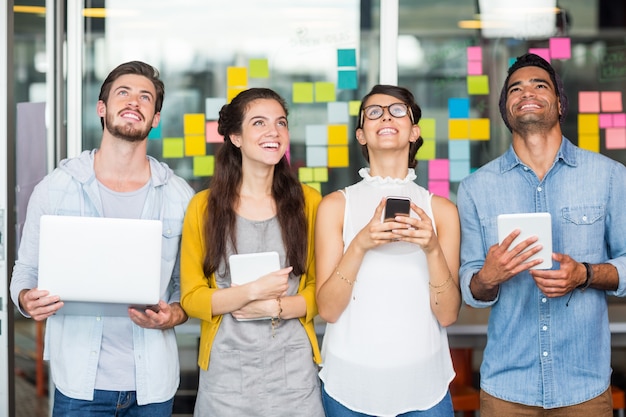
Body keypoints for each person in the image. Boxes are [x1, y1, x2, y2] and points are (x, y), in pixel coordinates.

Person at [10, 61, 194, 416]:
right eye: (123, 93)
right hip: (79, 384)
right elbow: (26, 270)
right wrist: (25, 299)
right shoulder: (56, 188)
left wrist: (174, 314)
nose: (133, 102)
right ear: (102, 108)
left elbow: (186, 288)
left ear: (155, 118)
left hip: (152, 387)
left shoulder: (178, 195)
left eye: (145, 97)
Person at [457, 53, 626, 416]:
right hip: (506, 390)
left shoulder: (610, 176)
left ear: (560, 103)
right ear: (506, 110)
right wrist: (487, 278)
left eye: (539, 85)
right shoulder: (475, 189)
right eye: (515, 89)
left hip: (584, 388)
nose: (526, 92)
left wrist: (585, 274)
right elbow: (471, 289)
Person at [315, 84, 461, 417]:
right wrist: (361, 243)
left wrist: (432, 248)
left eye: (397, 110)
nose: (385, 116)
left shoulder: (442, 211)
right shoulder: (336, 206)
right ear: (361, 135)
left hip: (426, 385)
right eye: (374, 112)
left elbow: (448, 314)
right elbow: (328, 310)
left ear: (414, 131)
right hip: (349, 385)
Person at [180, 87, 324, 416]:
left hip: (294, 376)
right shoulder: (203, 208)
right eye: (259, 123)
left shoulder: (310, 203)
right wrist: (251, 292)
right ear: (235, 136)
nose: (273, 132)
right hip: (226, 379)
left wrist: (276, 307)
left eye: (281, 122)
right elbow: (191, 297)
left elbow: (323, 291)